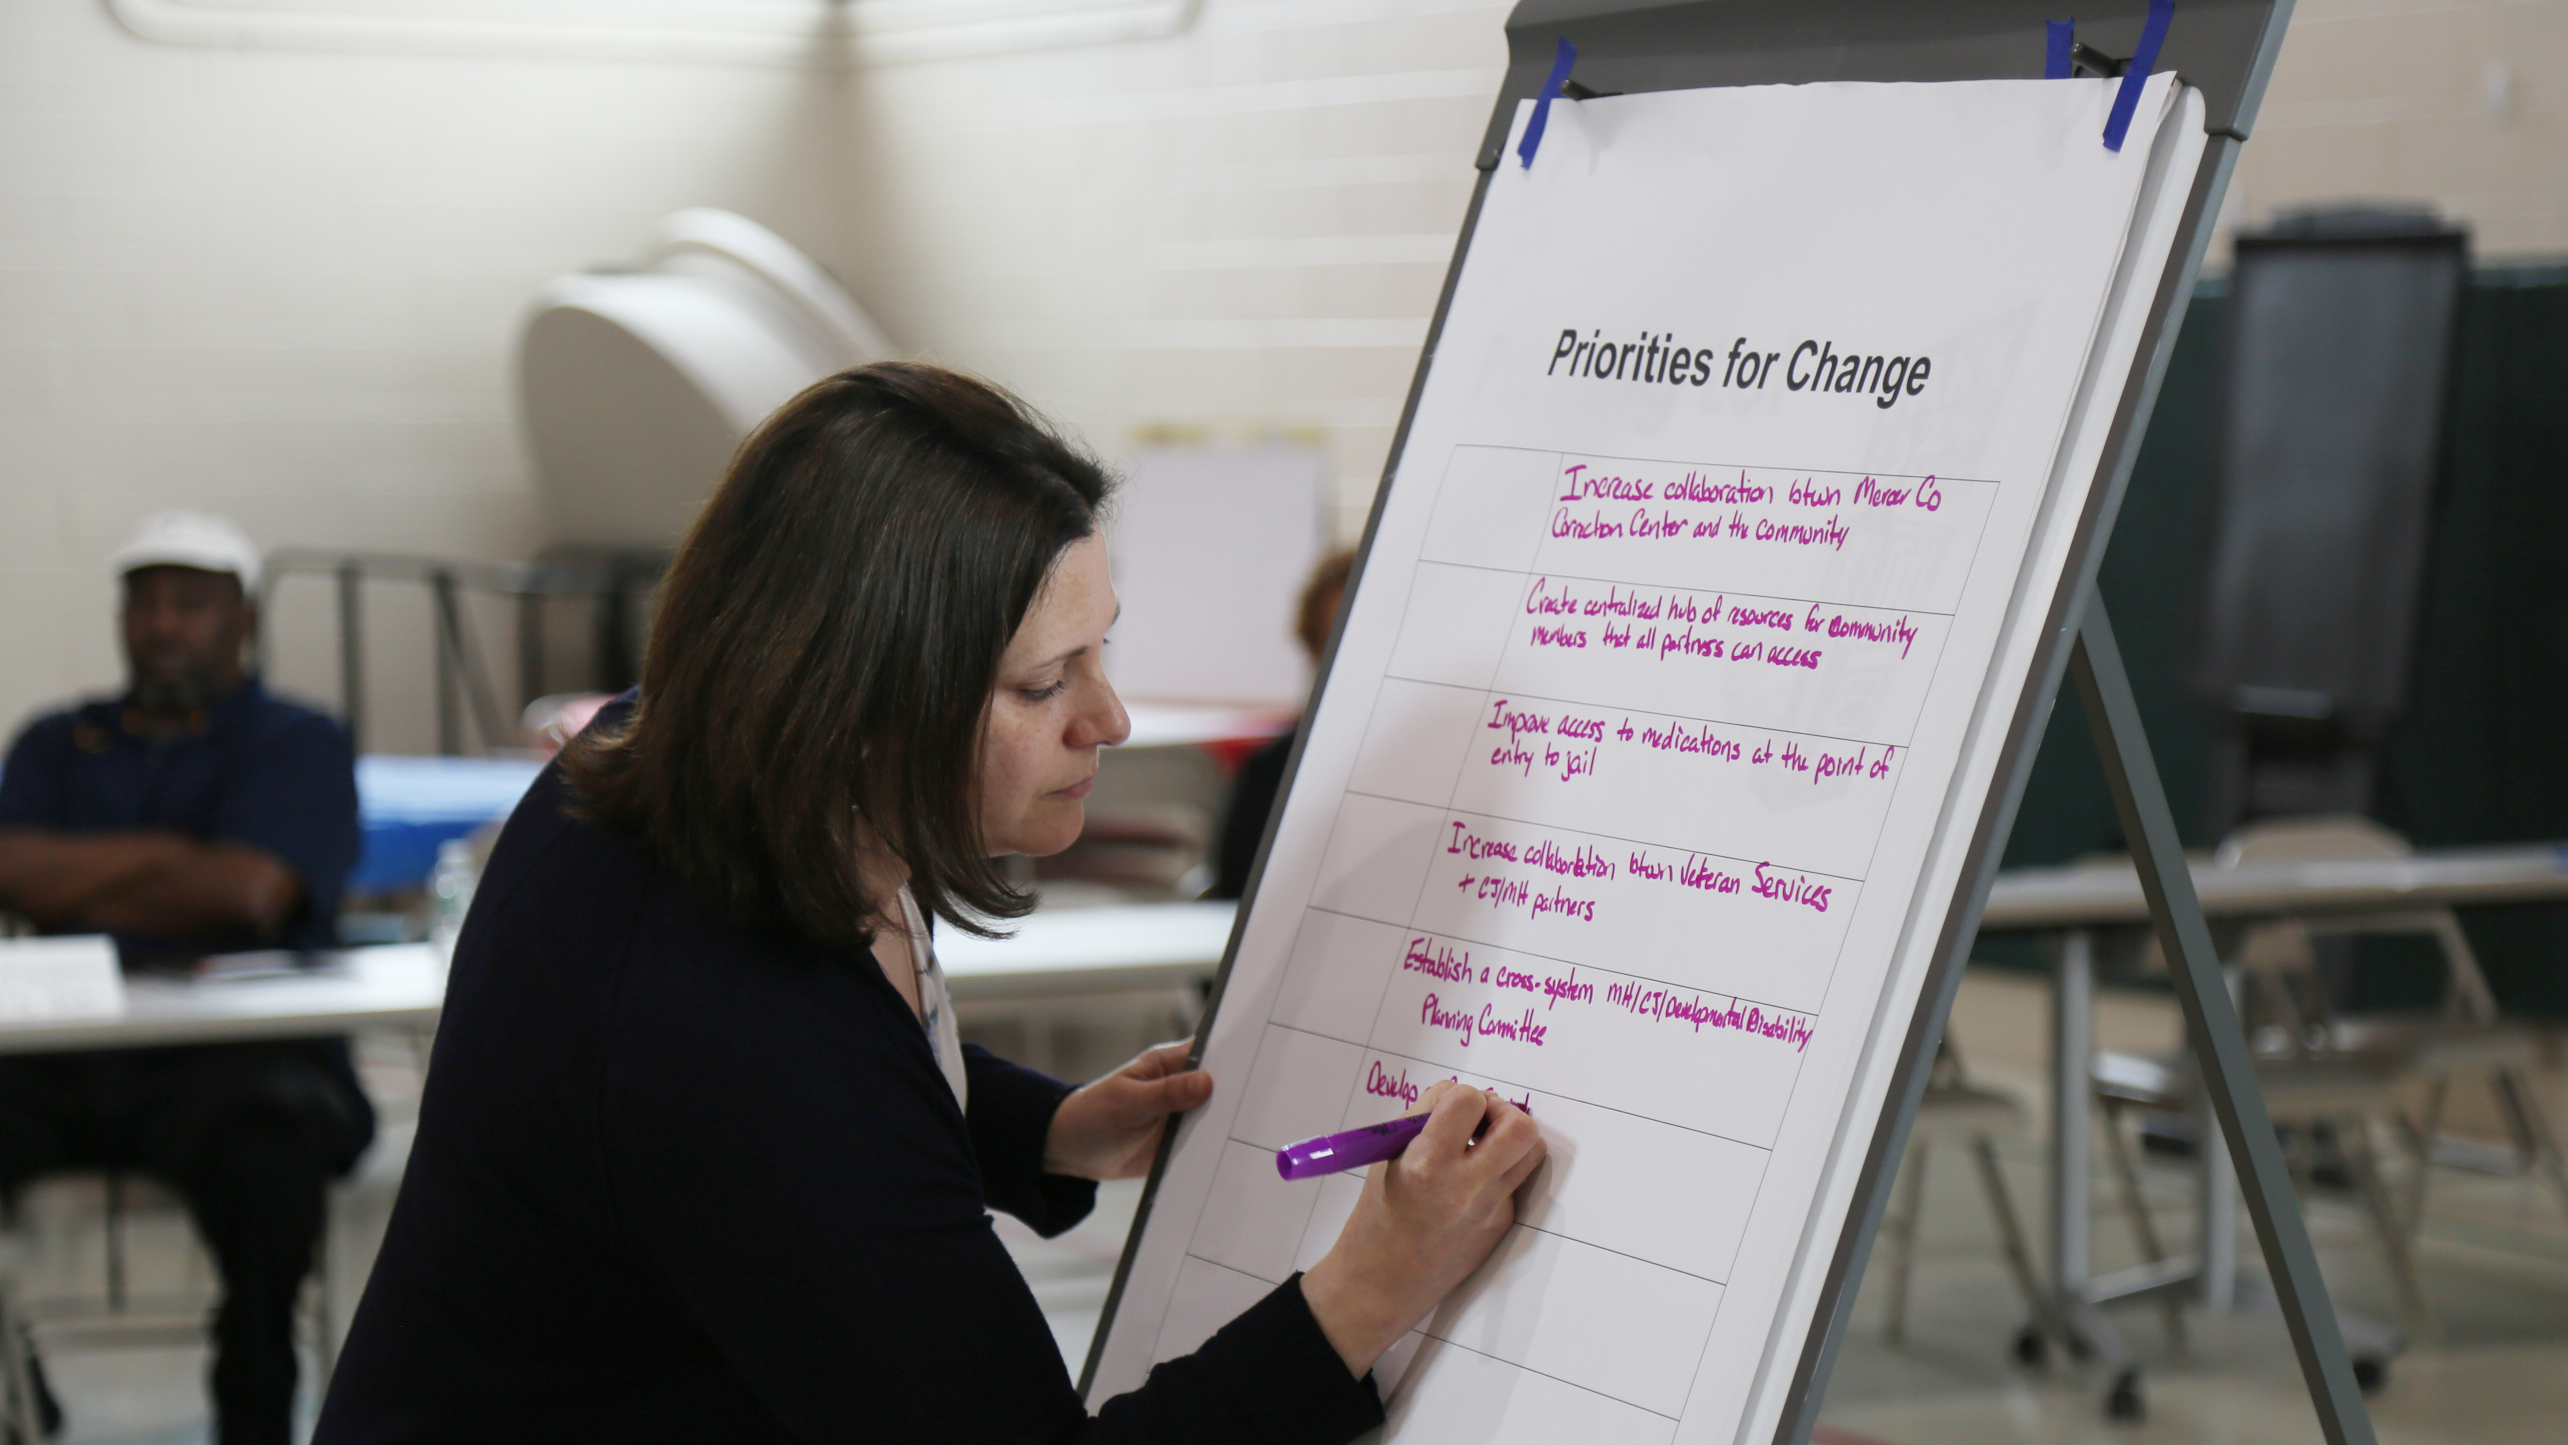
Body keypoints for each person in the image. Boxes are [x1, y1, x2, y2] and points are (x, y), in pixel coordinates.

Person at [315, 363, 1542, 1442]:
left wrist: (1043, 1128)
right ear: (859, 699)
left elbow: (827, 1085)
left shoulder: (688, 757)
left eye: (1101, 649)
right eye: (1042, 681)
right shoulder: (734, 1027)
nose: (1105, 718)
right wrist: (1366, 1288)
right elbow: (789, 1107)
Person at [0, 511, 373, 1445]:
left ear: (242, 622)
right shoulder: (53, 740)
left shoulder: (300, 740)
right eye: (146, 604)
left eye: (190, 604)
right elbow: (10, 869)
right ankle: (17, 1392)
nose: (164, 624)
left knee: (271, 1155)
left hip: (233, 1060)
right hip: (65, 1052)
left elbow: (249, 891)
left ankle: (253, 1408)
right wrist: (178, 861)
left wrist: (79, 876)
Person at [1209, 547, 1355, 900]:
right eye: (1336, 644)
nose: (1354, 661)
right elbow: (1236, 895)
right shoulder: (1273, 773)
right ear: (1313, 652)